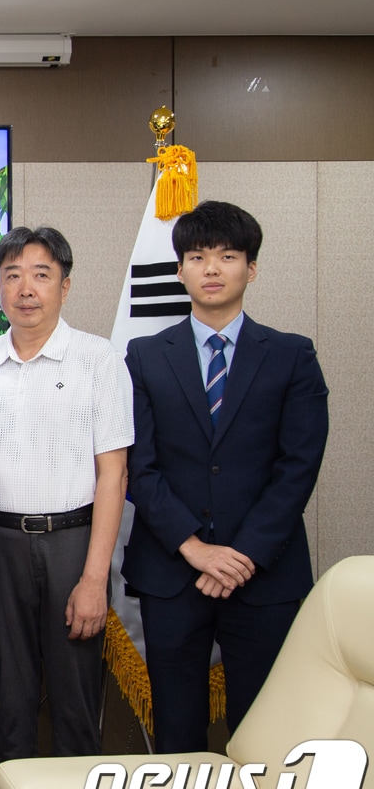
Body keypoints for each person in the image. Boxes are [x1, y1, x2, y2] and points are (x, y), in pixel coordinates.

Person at [124, 200, 329, 753]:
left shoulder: (291, 356)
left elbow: (298, 466)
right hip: (172, 573)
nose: (211, 268)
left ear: (251, 268)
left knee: (264, 731)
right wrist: (195, 549)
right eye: (197, 256)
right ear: (179, 270)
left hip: (264, 574)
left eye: (227, 255)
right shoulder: (143, 357)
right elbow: (137, 466)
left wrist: (239, 555)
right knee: (177, 730)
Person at [0, 226, 131, 765]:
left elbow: (114, 474)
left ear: (66, 286)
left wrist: (94, 577)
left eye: (41, 275)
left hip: (74, 545)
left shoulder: (99, 360)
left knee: (75, 705)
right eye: (12, 276)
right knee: (8, 703)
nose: (26, 288)